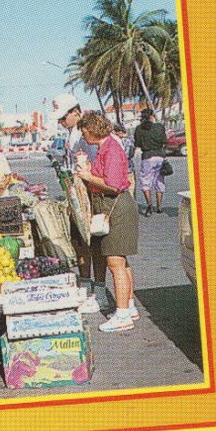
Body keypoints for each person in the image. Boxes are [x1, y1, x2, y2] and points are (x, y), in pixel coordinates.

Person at [76, 111, 141, 332]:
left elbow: (113, 185)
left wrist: (87, 176)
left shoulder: (111, 149)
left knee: (115, 262)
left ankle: (122, 315)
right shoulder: (107, 147)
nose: (84, 136)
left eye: (85, 132)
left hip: (116, 207)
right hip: (115, 206)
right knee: (121, 261)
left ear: (94, 130)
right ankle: (128, 306)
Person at [52, 93, 101, 287]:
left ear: (75, 112)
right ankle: (86, 282)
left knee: (93, 244)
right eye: (59, 119)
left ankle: (98, 288)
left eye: (64, 117)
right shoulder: (72, 133)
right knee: (79, 242)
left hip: (89, 192)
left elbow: (94, 165)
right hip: (75, 193)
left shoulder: (85, 134)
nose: (61, 122)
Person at [133, 108, 169, 215]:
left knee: (145, 181)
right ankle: (159, 206)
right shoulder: (159, 127)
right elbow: (164, 142)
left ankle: (149, 205)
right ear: (152, 115)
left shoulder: (139, 129)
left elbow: (138, 144)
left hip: (147, 156)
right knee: (159, 180)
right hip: (160, 156)